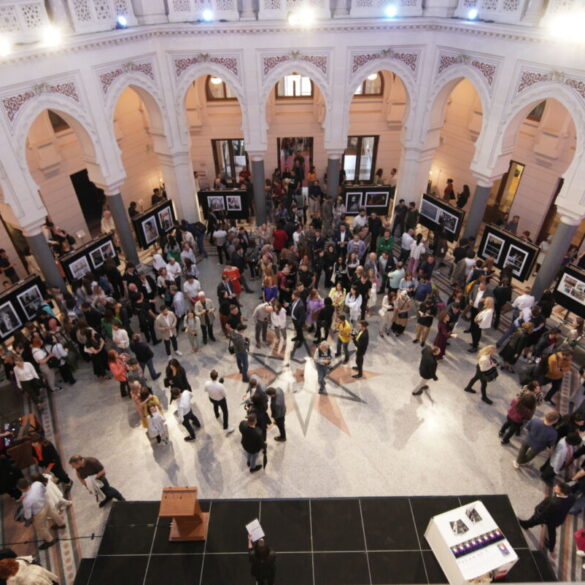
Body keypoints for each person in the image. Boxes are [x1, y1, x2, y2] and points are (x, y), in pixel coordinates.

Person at [518, 480, 575, 552]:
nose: (554, 488)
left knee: (534, 520)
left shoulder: (553, 502)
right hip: (558, 519)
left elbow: (544, 512)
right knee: (552, 532)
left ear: (561, 493)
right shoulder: (572, 497)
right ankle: (551, 547)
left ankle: (526, 525)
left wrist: (537, 512)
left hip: (548, 518)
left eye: (556, 488)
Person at [17, 477, 64, 549]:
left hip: (38, 513)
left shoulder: (26, 500)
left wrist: (27, 519)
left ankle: (50, 540)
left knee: (40, 527)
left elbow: (28, 514)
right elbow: (44, 490)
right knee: (54, 513)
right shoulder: (37, 484)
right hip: (45, 503)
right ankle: (61, 524)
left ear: (21, 489)